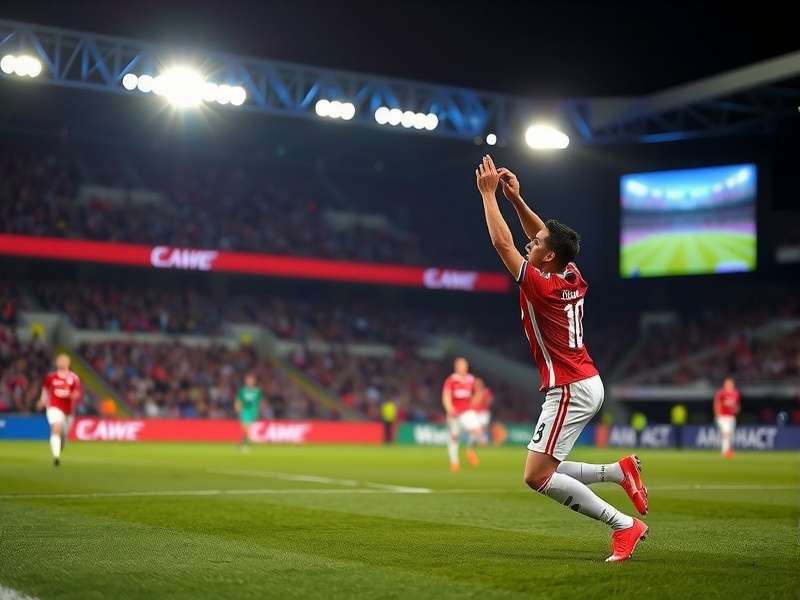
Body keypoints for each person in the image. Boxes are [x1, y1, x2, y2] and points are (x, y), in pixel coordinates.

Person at [476, 155, 648, 562]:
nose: (528, 243)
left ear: (548, 257)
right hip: (584, 380)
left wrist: (489, 196)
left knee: (536, 475)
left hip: (570, 385)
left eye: (534, 246)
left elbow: (501, 244)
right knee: (544, 467)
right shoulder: (571, 274)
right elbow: (544, 235)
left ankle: (624, 525)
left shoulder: (542, 287)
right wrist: (517, 200)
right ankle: (616, 472)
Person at [36, 353, 81, 467]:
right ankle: (56, 458)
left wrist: (73, 395)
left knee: (63, 435)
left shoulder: (74, 378)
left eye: (64, 360)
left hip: (68, 411)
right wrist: (42, 400)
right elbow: (45, 390)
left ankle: (59, 447)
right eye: (60, 360)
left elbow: (77, 392)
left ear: (68, 363)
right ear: (56, 363)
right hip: (54, 407)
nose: (62, 362)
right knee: (56, 428)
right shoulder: (50, 377)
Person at [441, 357, 480, 471]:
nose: (463, 367)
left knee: (478, 431)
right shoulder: (451, 380)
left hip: (467, 411)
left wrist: (474, 402)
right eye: (461, 365)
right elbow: (446, 395)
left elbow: (476, 392)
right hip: (454, 412)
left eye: (464, 365)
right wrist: (449, 409)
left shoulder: (470, 379)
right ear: (456, 367)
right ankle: (454, 463)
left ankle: (469, 449)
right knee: (454, 437)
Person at [713, 377, 740, 459]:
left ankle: (727, 450)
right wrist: (717, 415)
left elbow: (736, 405)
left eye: (730, 383)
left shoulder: (735, 393)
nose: (729, 385)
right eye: (727, 383)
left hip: (731, 417)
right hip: (722, 417)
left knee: (730, 435)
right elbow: (717, 404)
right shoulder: (721, 393)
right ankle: (725, 452)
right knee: (726, 434)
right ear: (725, 384)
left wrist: (736, 409)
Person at [235, 373, 262, 451]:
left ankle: (243, 444)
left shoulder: (257, 391)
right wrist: (237, 408)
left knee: (247, 428)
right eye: (248, 381)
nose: (250, 382)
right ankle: (244, 442)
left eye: (251, 381)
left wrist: (258, 411)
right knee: (245, 428)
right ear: (246, 382)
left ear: (254, 382)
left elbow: (258, 402)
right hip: (245, 410)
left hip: (253, 411)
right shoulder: (242, 391)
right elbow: (238, 400)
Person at [472, 378, 493, 446]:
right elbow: (472, 403)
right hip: (475, 413)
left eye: (479, 383)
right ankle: (477, 441)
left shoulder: (486, 391)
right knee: (476, 428)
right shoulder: (473, 392)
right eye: (476, 383)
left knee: (482, 428)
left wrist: (485, 399)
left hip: (484, 413)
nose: (477, 384)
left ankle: (482, 441)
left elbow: (489, 401)